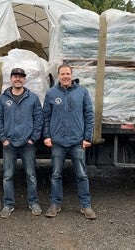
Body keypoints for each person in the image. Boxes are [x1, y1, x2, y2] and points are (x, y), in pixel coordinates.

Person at [43, 64, 96, 219]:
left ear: (72, 75)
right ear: (58, 76)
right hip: (58, 142)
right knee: (56, 174)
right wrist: (47, 135)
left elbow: (89, 115)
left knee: (81, 174)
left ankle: (86, 206)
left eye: (67, 73)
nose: (65, 76)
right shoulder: (52, 93)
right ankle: (55, 204)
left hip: (77, 141)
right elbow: (46, 116)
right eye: (62, 74)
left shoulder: (82, 92)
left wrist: (87, 138)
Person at [0, 67, 44, 218]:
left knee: (31, 175)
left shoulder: (32, 98)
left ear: (24, 79)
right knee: (8, 175)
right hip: (10, 145)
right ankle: (8, 204)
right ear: (11, 79)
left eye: (21, 77)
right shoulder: (2, 99)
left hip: (27, 144)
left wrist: (32, 139)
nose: (18, 79)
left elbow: (39, 119)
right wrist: (3, 139)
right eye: (15, 76)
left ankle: (33, 202)